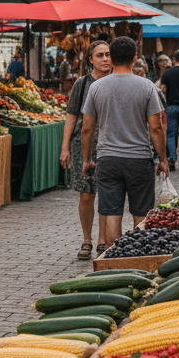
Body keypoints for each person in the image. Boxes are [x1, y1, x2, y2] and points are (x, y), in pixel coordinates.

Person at [81, 36, 168, 246]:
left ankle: (113, 260)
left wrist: (87, 160)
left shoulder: (97, 87)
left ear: (111, 59)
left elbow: (86, 129)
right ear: (135, 58)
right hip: (139, 159)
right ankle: (138, 258)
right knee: (141, 213)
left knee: (112, 213)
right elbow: (156, 127)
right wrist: (163, 159)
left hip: (108, 159)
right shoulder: (147, 87)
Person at [60, 40, 113, 260]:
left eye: (108, 55)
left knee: (107, 194)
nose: (105, 59)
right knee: (86, 195)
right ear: (90, 59)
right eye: (100, 55)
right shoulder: (82, 84)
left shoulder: (115, 81)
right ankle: (87, 239)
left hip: (110, 143)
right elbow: (71, 116)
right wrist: (65, 148)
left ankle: (102, 239)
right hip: (84, 143)